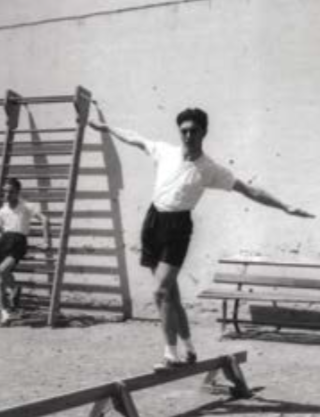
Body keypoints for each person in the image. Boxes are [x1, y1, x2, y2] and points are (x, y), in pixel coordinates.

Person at [87, 107, 314, 369]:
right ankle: (189, 348)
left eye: (194, 131)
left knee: (160, 291)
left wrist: (285, 206)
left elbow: (248, 190)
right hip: (153, 222)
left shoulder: (210, 169)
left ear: (203, 132)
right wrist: (106, 128)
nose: (188, 135)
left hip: (178, 228)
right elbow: (133, 137)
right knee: (171, 295)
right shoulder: (165, 151)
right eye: (184, 130)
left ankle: (170, 355)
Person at [0, 178, 50, 326]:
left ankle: (15, 289)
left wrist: (46, 241)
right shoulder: (2, 210)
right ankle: (5, 314)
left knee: (3, 269)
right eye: (5, 191)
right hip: (4, 241)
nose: (7, 194)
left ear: (18, 192)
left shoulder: (27, 206)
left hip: (18, 242)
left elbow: (44, 220)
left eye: (11, 191)